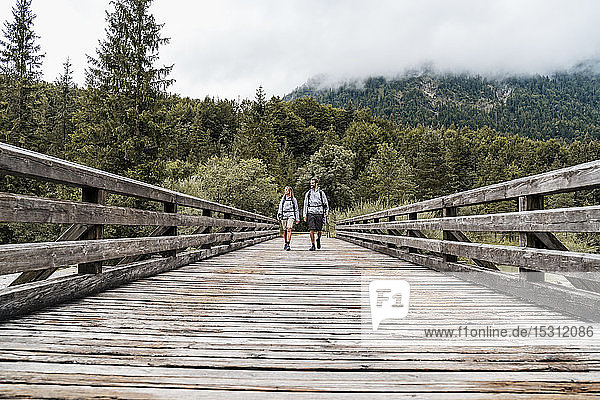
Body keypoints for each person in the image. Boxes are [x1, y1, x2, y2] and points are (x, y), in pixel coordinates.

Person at [303, 177, 329, 251]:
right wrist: (305, 215)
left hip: (319, 212)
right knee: (311, 229)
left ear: (316, 183)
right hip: (311, 212)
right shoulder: (308, 193)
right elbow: (305, 204)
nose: (311, 184)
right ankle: (313, 244)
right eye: (310, 183)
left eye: (313, 183)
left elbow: (326, 203)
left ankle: (318, 239)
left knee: (319, 230)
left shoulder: (321, 193)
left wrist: (326, 212)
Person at [277, 186, 300, 251]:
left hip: (291, 215)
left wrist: (297, 218)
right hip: (284, 215)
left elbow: (296, 209)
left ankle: (288, 244)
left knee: (289, 229)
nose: (285, 191)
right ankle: (285, 242)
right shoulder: (283, 199)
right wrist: (279, 216)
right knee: (285, 230)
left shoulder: (293, 199)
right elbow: (280, 208)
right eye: (285, 190)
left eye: (287, 190)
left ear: (290, 191)